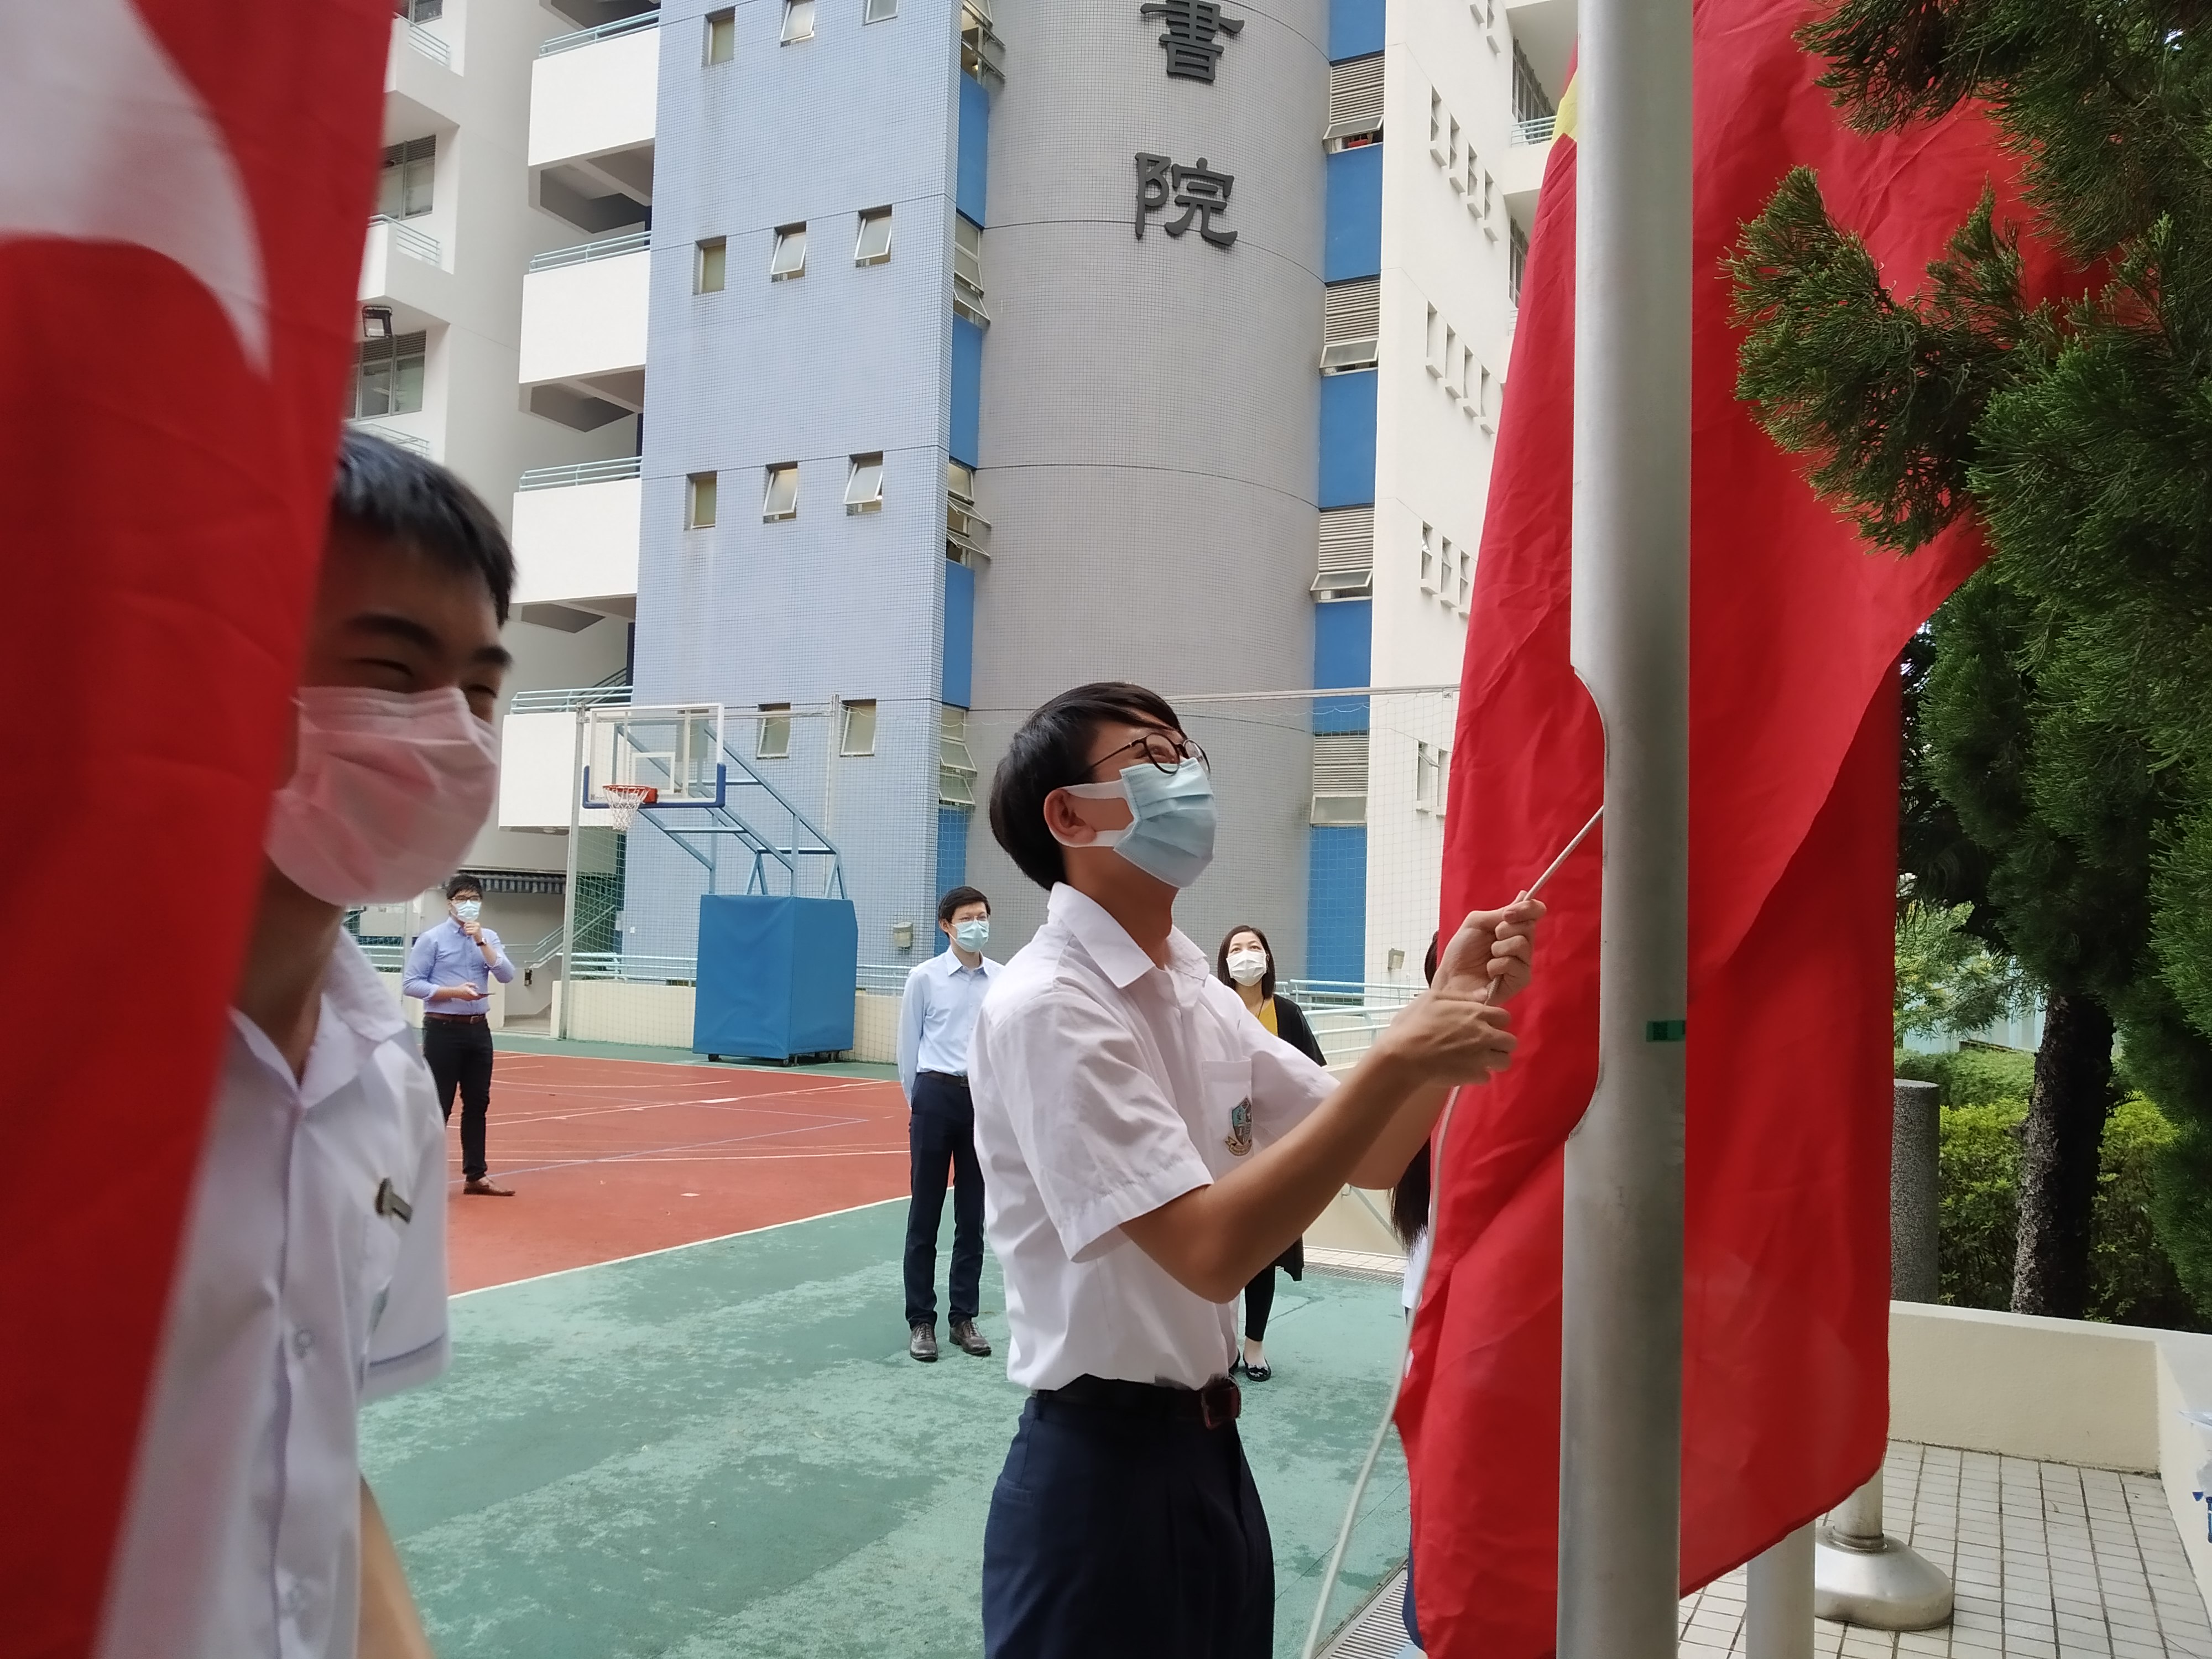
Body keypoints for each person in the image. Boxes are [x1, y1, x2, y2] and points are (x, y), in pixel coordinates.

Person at [968, 681, 1543, 1659]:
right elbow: (1209, 1249)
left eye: (1189, 754)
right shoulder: (1050, 1007)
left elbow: (1372, 1147)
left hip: (1207, 1450)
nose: (1188, 777)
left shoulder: (1193, 987)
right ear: (1068, 814)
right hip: (1097, 1475)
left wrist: (1451, 1003)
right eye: (1151, 759)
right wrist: (1407, 1054)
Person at [96, 431, 512, 1659]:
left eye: (480, 689)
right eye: (390, 668)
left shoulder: (378, 1084)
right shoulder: (61, 1063)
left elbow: (311, 1471)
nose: (450, 733)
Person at [1214, 924, 1327, 1382]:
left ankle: (1255, 1346)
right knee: (1219, 1248)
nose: (1246, 956)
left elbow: (1315, 1077)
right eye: (1236, 949)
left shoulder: (1287, 1013)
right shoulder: (1212, 1013)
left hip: (1277, 1151)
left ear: (1268, 958)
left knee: (1263, 1250)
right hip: (1221, 1148)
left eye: (1254, 947)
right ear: (1223, 963)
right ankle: (1221, 1347)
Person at [896, 884, 1000, 1362]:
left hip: (982, 1101)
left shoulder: (1002, 980)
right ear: (946, 926)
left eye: (982, 915)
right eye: (966, 918)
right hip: (935, 1096)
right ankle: (922, 1320)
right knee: (926, 1214)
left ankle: (964, 1317)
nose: (976, 924)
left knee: (972, 1216)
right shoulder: (924, 977)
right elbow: (907, 1048)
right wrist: (917, 1104)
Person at [404, 871, 517, 1196]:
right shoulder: (432, 939)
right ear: (449, 903)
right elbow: (412, 984)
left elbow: (506, 974)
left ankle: (476, 1175)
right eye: (462, 899)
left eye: (474, 899)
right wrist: (452, 991)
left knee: (478, 1102)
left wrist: (481, 941)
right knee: (439, 1104)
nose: (468, 905)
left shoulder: (488, 937)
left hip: (478, 1030)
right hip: (443, 1029)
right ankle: (421, 1177)